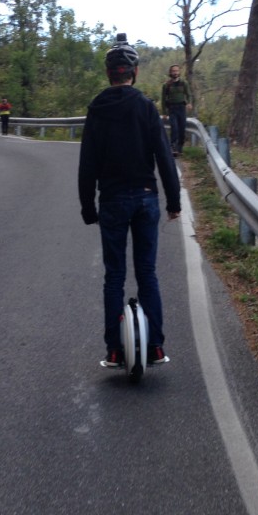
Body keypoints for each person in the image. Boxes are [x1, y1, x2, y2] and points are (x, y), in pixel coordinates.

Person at [78, 34, 181, 368]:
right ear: (133, 73)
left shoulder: (96, 109)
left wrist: (87, 206)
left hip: (111, 201)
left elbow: (87, 162)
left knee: (114, 278)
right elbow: (164, 157)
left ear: (109, 74)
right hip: (146, 199)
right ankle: (155, 348)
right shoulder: (146, 107)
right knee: (147, 273)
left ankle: (113, 350)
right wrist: (174, 200)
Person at [160, 64, 192, 156]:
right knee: (174, 128)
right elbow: (163, 99)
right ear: (170, 72)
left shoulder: (184, 83)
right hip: (172, 108)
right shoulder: (166, 85)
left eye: (177, 71)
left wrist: (189, 103)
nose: (175, 73)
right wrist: (164, 113)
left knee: (182, 129)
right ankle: (173, 147)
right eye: (173, 71)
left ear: (179, 72)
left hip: (181, 108)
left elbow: (188, 94)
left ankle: (180, 148)